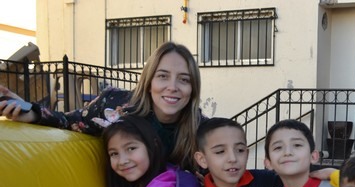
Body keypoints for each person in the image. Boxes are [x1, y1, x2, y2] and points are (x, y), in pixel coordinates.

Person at [0, 41, 203, 171]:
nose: (172, 87)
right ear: (149, 82)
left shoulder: (201, 131)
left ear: (192, 89)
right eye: (162, 76)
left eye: (184, 80)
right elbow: (68, 121)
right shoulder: (114, 104)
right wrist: (31, 111)